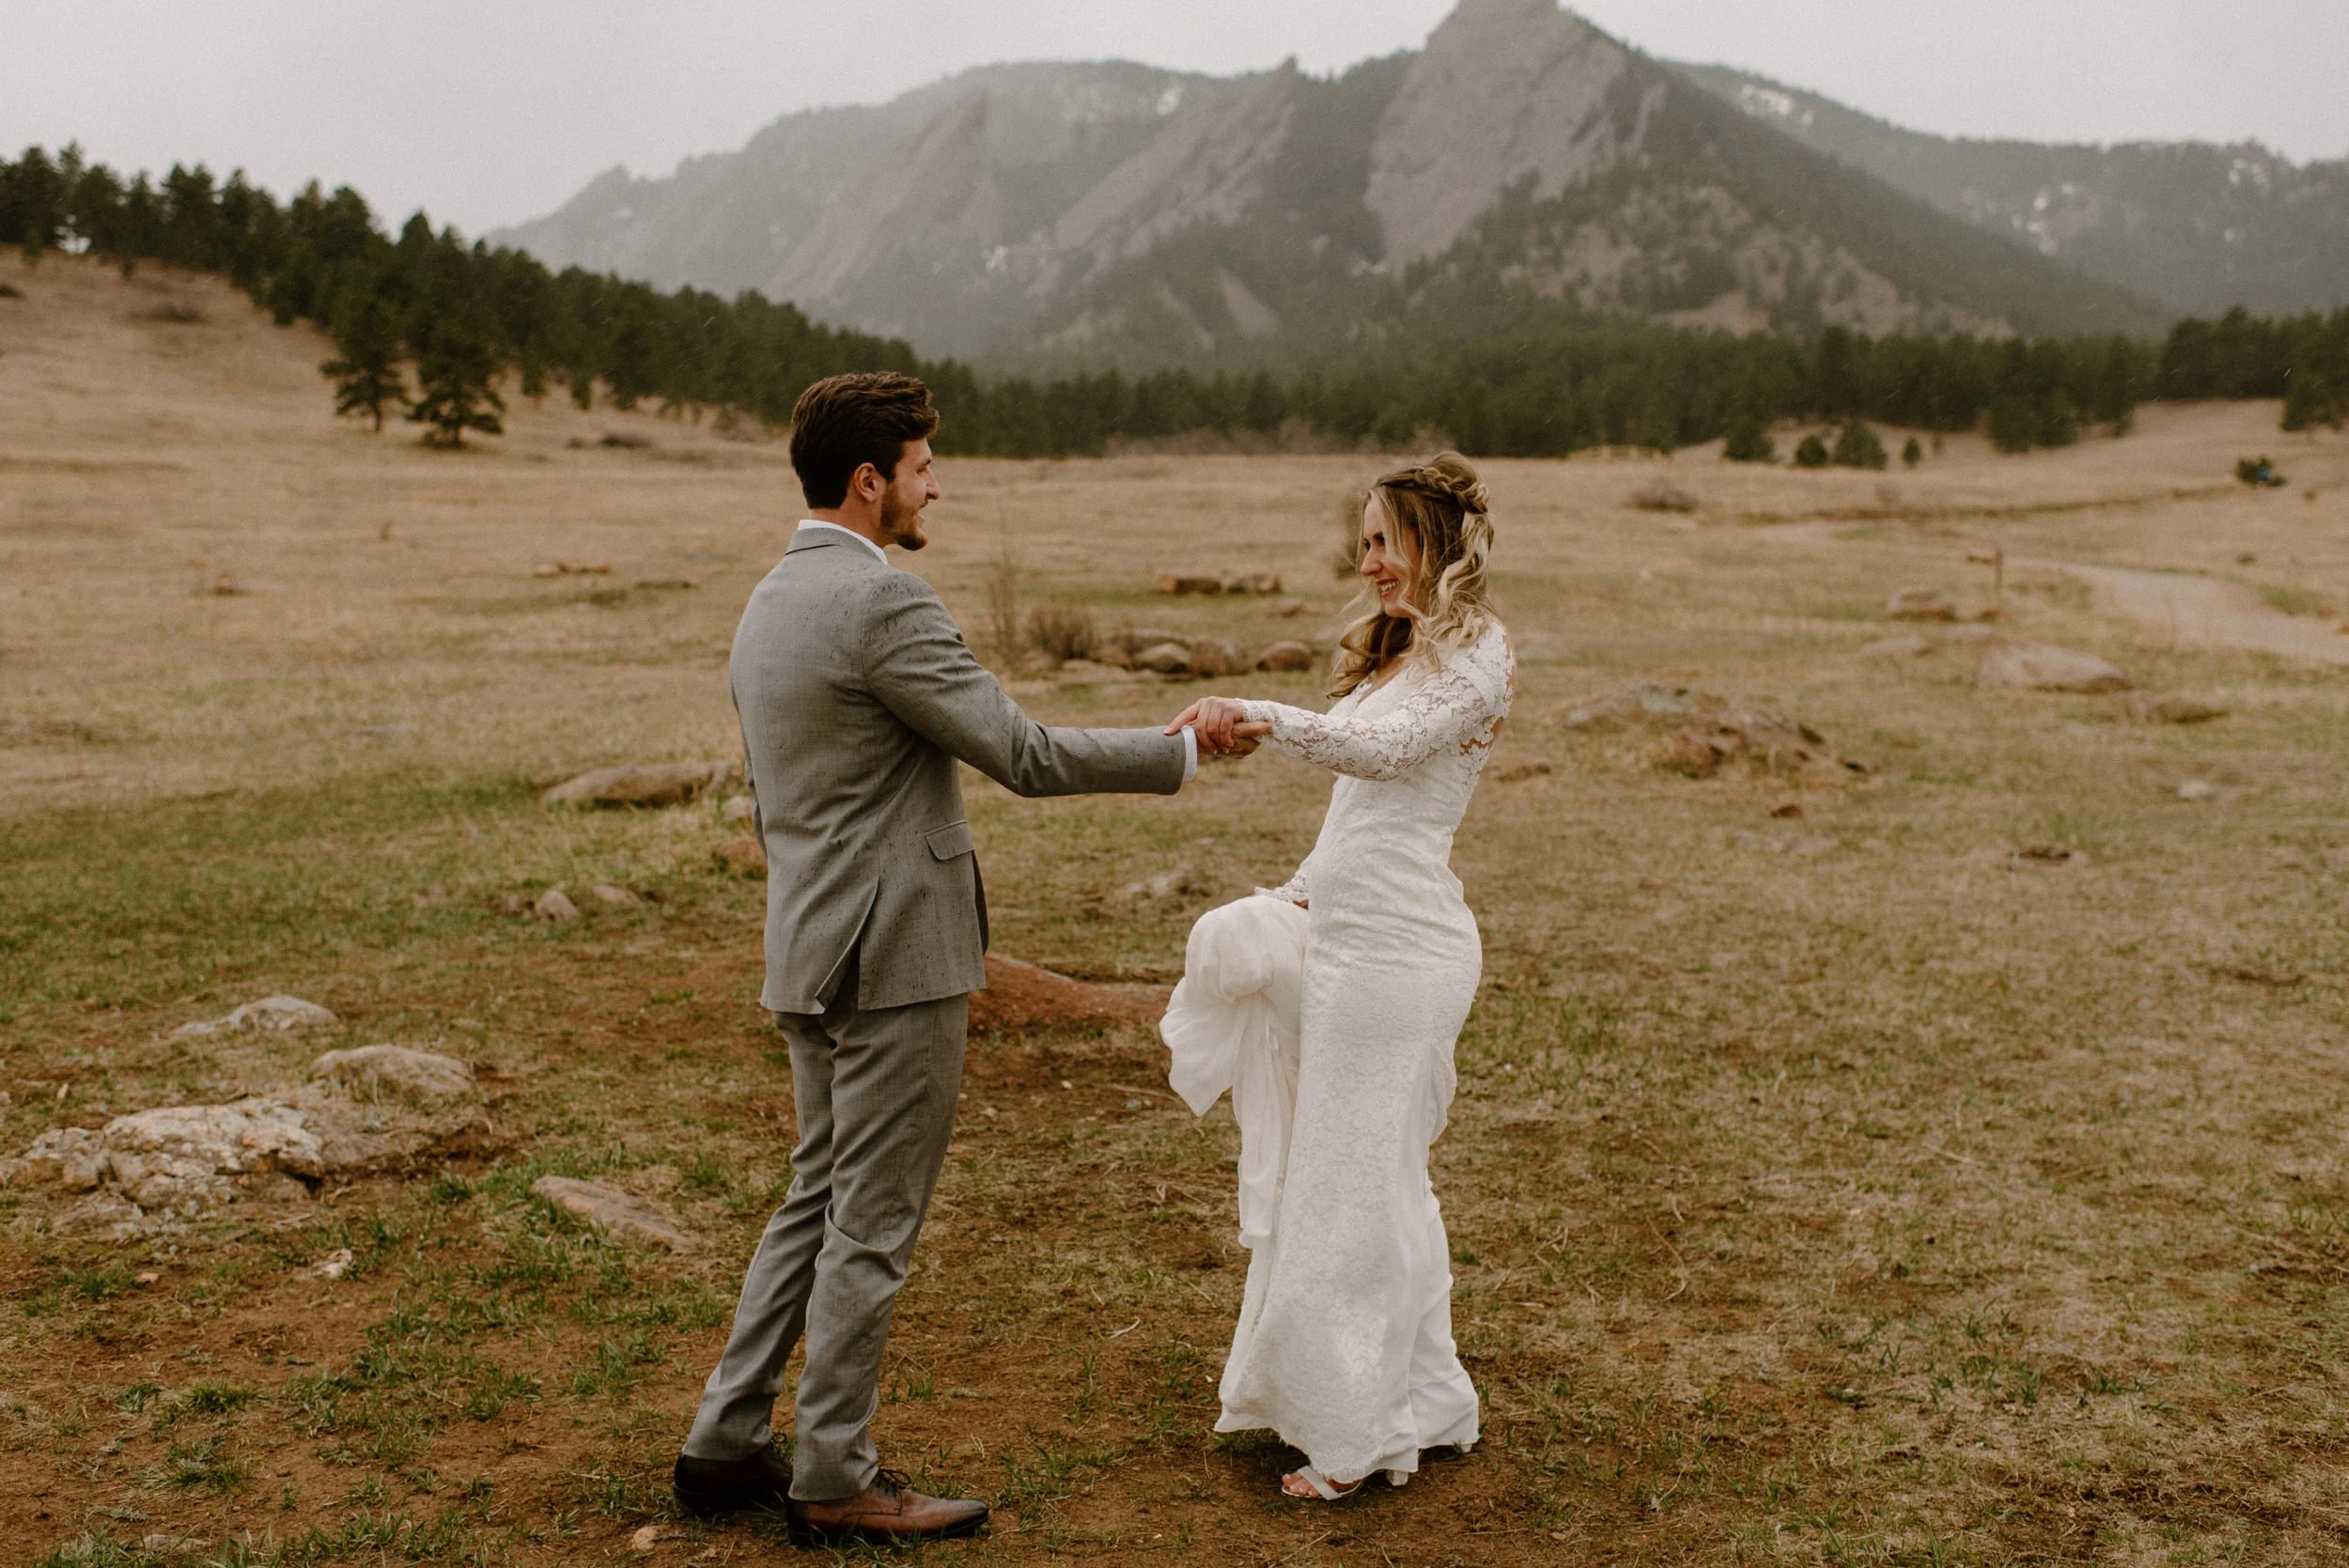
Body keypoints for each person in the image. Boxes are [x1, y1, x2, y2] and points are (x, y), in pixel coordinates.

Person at [675, 371, 1224, 1545]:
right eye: (923, 467)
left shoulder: (770, 599)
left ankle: (723, 1441)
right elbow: (1021, 753)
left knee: (814, 1197)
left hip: (807, 949)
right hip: (894, 961)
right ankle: (833, 1474)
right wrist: (1178, 751)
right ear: (868, 480)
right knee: (871, 1220)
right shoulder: (883, 602)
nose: (937, 486)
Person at [1162, 452, 1513, 1501]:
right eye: (1361, 544)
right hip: (1348, 936)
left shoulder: (1481, 654)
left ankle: (1353, 1432)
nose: (1366, 564)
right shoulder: (1396, 657)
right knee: (1380, 1179)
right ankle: (1428, 1399)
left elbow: (1389, 757)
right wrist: (1296, 898)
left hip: (1402, 953)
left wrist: (1265, 714)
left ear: (1435, 544)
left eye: (1382, 541)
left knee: (1350, 1182)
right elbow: (1355, 817)